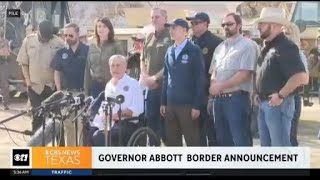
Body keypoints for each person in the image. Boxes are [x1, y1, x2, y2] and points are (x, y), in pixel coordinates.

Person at [255, 7, 308, 146]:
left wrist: (281, 95)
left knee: (280, 151)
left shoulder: (286, 46)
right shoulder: (269, 46)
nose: (258, 27)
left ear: (272, 25)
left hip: (278, 104)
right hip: (266, 103)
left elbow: (302, 77)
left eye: (262, 24)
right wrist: (258, 93)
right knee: (268, 151)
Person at [208, 13, 258, 146]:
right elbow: (214, 71)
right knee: (222, 141)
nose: (226, 27)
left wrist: (220, 86)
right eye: (223, 24)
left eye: (229, 24)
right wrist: (213, 85)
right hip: (218, 100)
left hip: (237, 99)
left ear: (239, 25)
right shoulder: (219, 48)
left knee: (240, 140)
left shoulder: (248, 45)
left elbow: (245, 74)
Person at [160, 19, 206, 146]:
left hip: (188, 105)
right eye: (170, 28)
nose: (171, 30)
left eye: (174, 28)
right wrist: (163, 101)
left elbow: (200, 79)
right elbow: (166, 76)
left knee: (193, 142)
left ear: (185, 31)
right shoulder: (169, 51)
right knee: (172, 143)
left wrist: (197, 105)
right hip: (171, 104)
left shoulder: (194, 50)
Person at [16, 20, 64, 134]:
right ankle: (37, 146)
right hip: (35, 87)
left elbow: (63, 66)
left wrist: (59, 86)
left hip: (52, 87)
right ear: (38, 31)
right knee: (37, 116)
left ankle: (60, 146)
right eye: (43, 37)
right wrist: (28, 81)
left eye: (48, 37)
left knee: (57, 118)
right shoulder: (28, 41)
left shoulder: (59, 43)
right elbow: (24, 63)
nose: (45, 40)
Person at [186, 12, 223, 146]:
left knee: (212, 133)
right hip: (192, 94)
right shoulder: (189, 43)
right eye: (192, 23)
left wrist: (212, 93)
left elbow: (218, 69)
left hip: (208, 93)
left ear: (206, 24)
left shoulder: (217, 42)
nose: (193, 26)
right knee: (196, 134)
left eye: (196, 23)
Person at [91, 55, 144, 146]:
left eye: (118, 65)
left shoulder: (133, 84)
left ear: (125, 67)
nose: (115, 68)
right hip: (110, 123)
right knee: (91, 132)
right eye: (112, 66)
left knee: (101, 136)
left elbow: (137, 109)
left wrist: (116, 115)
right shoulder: (109, 85)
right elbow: (107, 105)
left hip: (128, 123)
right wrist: (104, 114)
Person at [50, 23, 89, 146]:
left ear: (77, 33)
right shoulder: (61, 52)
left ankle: (81, 158)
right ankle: (70, 156)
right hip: (67, 94)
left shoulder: (87, 50)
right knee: (68, 126)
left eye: (70, 35)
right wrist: (59, 91)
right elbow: (57, 72)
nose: (67, 37)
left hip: (83, 93)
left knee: (81, 126)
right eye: (65, 35)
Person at [140, 8, 172, 144]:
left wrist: (154, 78)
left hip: (165, 88)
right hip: (150, 88)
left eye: (157, 17)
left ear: (165, 18)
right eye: (152, 17)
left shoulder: (171, 35)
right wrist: (145, 77)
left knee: (166, 127)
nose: (154, 20)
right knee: (151, 124)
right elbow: (142, 58)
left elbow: (171, 63)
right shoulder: (149, 36)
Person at [84, 17, 125, 119]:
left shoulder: (116, 45)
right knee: (95, 117)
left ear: (109, 29)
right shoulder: (92, 46)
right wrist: (86, 92)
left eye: (104, 26)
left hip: (112, 86)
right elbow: (87, 69)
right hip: (96, 86)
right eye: (98, 26)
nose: (101, 29)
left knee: (110, 116)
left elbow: (122, 66)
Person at [0, 28, 11, 110]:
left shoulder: (5, 42)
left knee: (4, 85)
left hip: (2, 64)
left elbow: (5, 53)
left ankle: (5, 104)